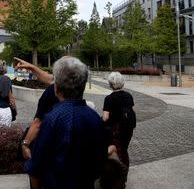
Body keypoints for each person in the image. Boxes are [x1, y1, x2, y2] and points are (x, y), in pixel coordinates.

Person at [24, 56, 107, 189]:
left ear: (56, 89)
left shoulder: (52, 119)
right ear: (84, 85)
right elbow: (100, 163)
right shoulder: (95, 118)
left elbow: (36, 168)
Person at [14, 57, 57, 160]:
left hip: (45, 141)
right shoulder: (73, 88)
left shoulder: (52, 91)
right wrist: (31, 67)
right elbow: (50, 78)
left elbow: (38, 122)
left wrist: (25, 144)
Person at [103, 72, 136, 174]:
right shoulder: (128, 95)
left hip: (116, 129)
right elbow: (133, 111)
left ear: (110, 84)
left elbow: (105, 118)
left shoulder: (109, 98)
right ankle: (124, 171)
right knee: (124, 149)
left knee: (117, 150)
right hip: (128, 128)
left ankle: (120, 173)